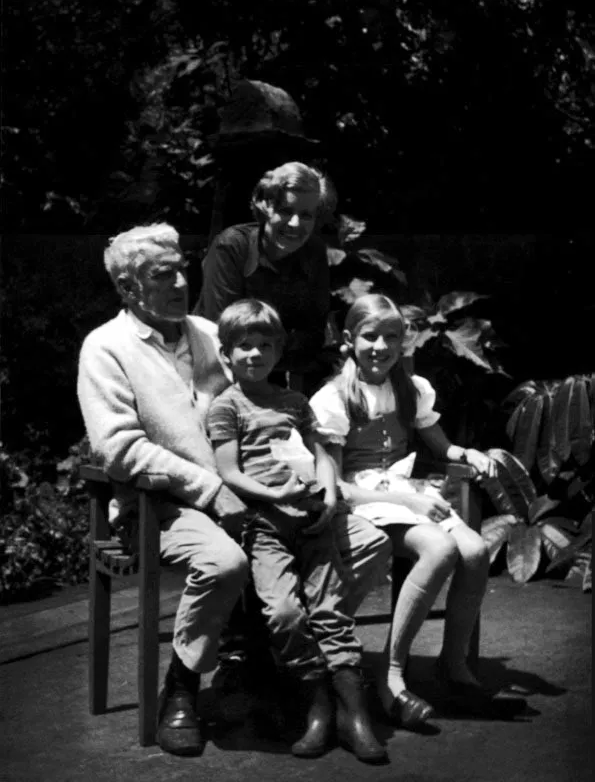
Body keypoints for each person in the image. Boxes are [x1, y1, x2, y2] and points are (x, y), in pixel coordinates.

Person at [76, 223, 253, 757]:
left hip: (242, 492)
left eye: (183, 267)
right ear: (129, 288)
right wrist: (207, 487)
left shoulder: (207, 331)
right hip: (156, 507)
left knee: (347, 536)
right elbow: (116, 449)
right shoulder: (105, 348)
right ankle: (181, 687)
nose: (181, 281)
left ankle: (267, 669)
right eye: (163, 274)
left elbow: (252, 405)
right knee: (225, 564)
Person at [206, 299, 387, 764]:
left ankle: (354, 712)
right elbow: (229, 471)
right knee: (284, 611)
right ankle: (317, 702)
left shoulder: (292, 402)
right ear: (226, 354)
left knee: (329, 609)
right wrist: (276, 499)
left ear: (278, 352)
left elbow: (321, 453)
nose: (254, 354)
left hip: (311, 518)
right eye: (243, 346)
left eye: (264, 345)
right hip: (266, 525)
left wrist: (327, 495)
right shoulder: (227, 407)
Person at [309, 293, 500, 728]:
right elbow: (336, 486)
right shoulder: (333, 398)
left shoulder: (411, 389)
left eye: (391, 337)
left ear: (405, 341)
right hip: (364, 501)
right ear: (348, 339)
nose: (381, 347)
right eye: (370, 337)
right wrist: (409, 501)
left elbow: (441, 444)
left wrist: (468, 452)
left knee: (474, 551)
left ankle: (452, 666)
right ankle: (391, 674)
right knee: (439, 548)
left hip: (401, 488)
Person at [195, 160, 336, 392]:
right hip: (213, 375)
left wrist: (263, 344)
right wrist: (283, 343)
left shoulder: (315, 253)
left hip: (274, 378)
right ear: (265, 206)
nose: (295, 224)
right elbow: (221, 332)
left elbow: (313, 335)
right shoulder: (232, 247)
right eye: (285, 211)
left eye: (306, 215)